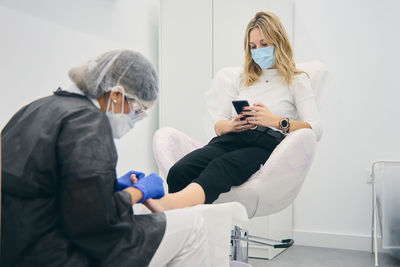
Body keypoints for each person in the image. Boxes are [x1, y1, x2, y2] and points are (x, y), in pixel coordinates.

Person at [1, 50, 210, 267]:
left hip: (16, 247)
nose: (134, 119)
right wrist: (139, 191)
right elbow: (94, 221)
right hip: (56, 253)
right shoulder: (88, 123)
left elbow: (45, 185)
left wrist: (110, 187)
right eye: (137, 111)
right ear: (116, 95)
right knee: (193, 227)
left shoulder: (36, 108)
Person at [146, 11, 323, 212]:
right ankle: (187, 229)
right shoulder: (241, 79)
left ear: (279, 42)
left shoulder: (296, 80)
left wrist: (275, 121)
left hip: (265, 145)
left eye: (264, 44)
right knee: (180, 170)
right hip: (231, 139)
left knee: (220, 167)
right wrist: (232, 125)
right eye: (253, 46)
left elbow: (315, 129)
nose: (258, 51)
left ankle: (170, 205)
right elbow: (219, 123)